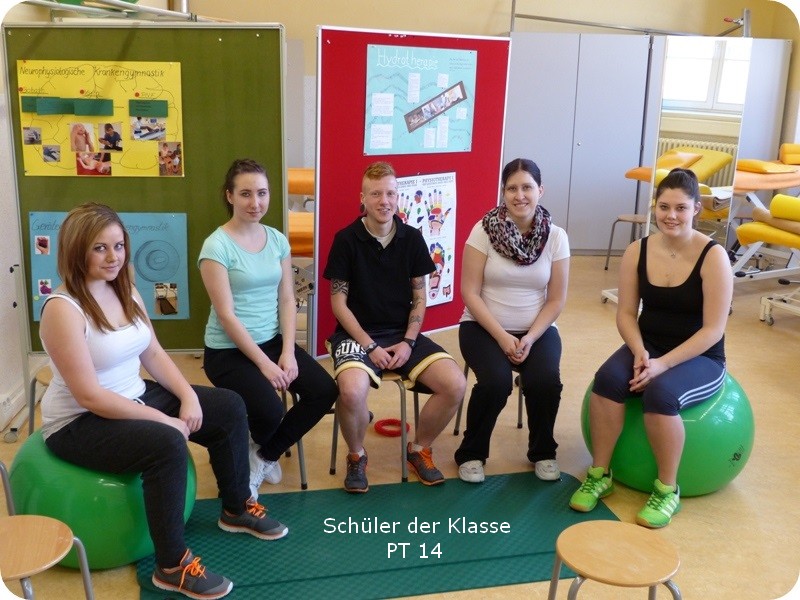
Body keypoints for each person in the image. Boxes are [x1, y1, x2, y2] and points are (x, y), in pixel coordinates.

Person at [39, 203, 288, 600]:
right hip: (79, 421)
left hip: (133, 395)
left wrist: (188, 395)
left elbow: (153, 353)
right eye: (99, 248)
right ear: (75, 250)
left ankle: (237, 507)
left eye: (118, 245)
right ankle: (171, 566)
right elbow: (90, 395)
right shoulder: (62, 309)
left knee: (227, 407)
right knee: (168, 442)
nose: (113, 257)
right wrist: (161, 419)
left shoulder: (125, 289)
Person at [569, 168, 732, 528]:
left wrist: (662, 365)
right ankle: (599, 474)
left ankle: (667, 490)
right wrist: (640, 351)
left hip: (701, 355)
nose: (671, 216)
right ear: (654, 207)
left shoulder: (714, 256)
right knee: (607, 380)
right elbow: (626, 313)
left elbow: (713, 330)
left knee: (660, 394)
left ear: (696, 210)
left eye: (681, 208)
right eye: (664, 207)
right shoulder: (637, 251)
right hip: (649, 344)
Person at [323, 161, 466, 493]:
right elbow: (339, 304)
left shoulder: (412, 238)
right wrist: (370, 346)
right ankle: (356, 455)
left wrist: (408, 342)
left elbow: (420, 298)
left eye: (389, 193)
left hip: (403, 335)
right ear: (363, 198)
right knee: (351, 391)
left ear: (397, 197)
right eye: (375, 194)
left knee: (455, 384)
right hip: (356, 335)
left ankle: (419, 449)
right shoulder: (345, 240)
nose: (384, 201)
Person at [200, 159, 338, 499]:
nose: (255, 202)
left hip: (272, 341)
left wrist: (288, 352)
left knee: (323, 390)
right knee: (270, 410)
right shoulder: (216, 246)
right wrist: (265, 365)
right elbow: (226, 315)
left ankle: (263, 454)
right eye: (245, 194)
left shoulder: (277, 240)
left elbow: (287, 299)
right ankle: (254, 438)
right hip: (228, 351)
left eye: (262, 193)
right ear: (229, 196)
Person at [455, 158, 570, 484]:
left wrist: (530, 337)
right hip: (482, 327)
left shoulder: (556, 237)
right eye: (512, 188)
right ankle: (471, 453)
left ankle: (543, 451)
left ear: (540, 190)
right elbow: (469, 293)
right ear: (503, 192)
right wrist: (503, 337)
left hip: (537, 330)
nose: (520, 195)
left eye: (527, 187)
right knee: (496, 382)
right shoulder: (483, 231)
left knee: (545, 381)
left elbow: (556, 300)